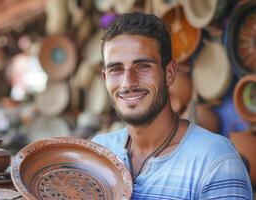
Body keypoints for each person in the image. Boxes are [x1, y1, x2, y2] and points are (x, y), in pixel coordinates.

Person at [92, 12, 253, 199]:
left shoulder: (214, 161)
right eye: (116, 69)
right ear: (105, 79)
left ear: (169, 73)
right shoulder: (100, 152)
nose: (128, 83)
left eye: (142, 66)